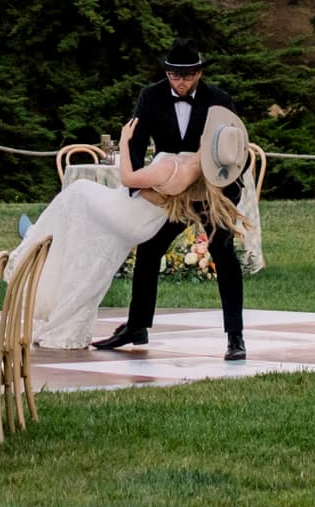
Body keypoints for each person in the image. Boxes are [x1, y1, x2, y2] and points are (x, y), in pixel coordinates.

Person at [95, 46, 248, 360]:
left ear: (199, 73)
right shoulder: (150, 96)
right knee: (150, 248)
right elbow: (136, 143)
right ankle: (137, 326)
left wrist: (220, 185)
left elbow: (238, 149)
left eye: (188, 75)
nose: (181, 82)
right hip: (173, 193)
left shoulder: (219, 100)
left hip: (211, 193)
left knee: (223, 253)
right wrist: (142, 189)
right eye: (174, 75)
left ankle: (235, 336)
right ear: (166, 73)